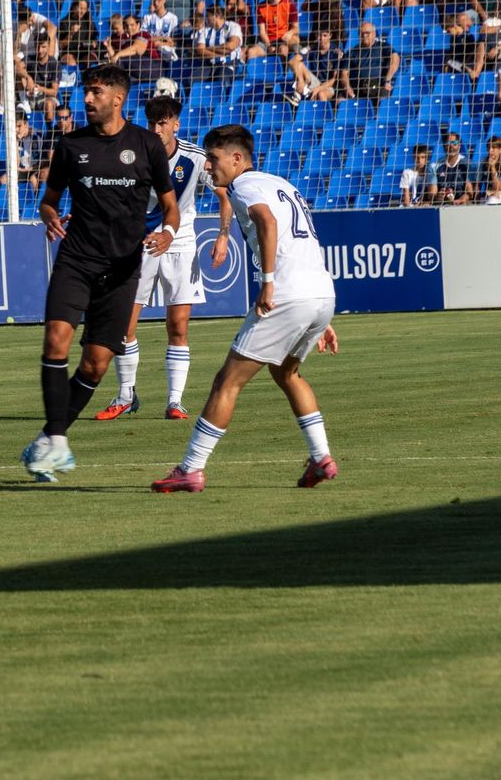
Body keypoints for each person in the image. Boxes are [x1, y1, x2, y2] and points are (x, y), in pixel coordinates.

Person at [151, 123, 338, 494]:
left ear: (238, 159)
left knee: (227, 381)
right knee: (288, 375)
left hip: (287, 294)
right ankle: (321, 458)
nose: (208, 166)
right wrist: (319, 315)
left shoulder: (244, 185)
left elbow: (267, 221)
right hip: (320, 293)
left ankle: (190, 469)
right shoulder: (283, 184)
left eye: (214, 158)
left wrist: (268, 281)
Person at [21, 64, 177, 482]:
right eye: (86, 93)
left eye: (94, 92)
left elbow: (171, 206)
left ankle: (48, 439)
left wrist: (167, 232)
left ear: (117, 99)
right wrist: (50, 215)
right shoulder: (71, 145)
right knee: (56, 340)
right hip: (76, 259)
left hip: (124, 268)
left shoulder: (147, 145)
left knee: (96, 365)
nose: (86, 99)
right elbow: (48, 200)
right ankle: (57, 442)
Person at [96, 95, 230, 422]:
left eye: (164, 122)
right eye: (153, 122)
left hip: (181, 244)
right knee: (125, 324)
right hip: (139, 244)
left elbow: (224, 195)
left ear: (175, 124)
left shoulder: (196, 158)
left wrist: (223, 235)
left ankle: (175, 402)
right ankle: (126, 395)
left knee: (178, 326)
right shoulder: (132, 155)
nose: (158, 129)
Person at [338, 21, 399, 100]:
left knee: (383, 97)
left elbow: (395, 58)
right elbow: (344, 73)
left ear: (374, 34)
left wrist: (387, 79)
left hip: (378, 85)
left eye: (367, 33)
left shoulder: (383, 47)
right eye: (362, 33)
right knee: (339, 101)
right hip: (358, 88)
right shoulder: (352, 52)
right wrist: (347, 87)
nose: (364, 35)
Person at [428, 132, 474, 204]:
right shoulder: (434, 166)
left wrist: (462, 199)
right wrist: (438, 197)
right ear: (444, 146)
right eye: (448, 143)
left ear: (459, 146)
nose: (451, 146)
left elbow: (470, 192)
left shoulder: (468, 164)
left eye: (454, 143)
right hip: (442, 204)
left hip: (462, 203)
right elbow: (432, 193)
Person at [481, 135, 501, 204]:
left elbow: (498, 187)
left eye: (493, 148)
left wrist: (492, 167)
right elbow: (478, 184)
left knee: (492, 200)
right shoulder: (484, 163)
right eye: (489, 148)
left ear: (500, 150)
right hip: (489, 195)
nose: (490, 151)